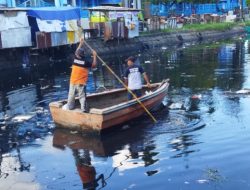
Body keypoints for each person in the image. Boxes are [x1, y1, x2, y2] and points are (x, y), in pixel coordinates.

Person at [64, 37, 97, 112]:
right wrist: (94, 56)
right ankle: (83, 110)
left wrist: (81, 43)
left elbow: (76, 52)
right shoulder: (85, 62)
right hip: (81, 83)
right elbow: (94, 65)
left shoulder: (74, 59)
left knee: (71, 96)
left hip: (72, 82)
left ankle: (70, 107)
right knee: (82, 97)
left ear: (78, 55)